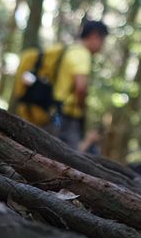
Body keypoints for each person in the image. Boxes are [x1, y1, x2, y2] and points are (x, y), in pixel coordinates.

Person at [11, 20, 109, 149]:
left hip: (55, 112)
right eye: (102, 41)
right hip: (66, 115)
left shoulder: (70, 50)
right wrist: (82, 108)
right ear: (94, 36)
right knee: (71, 157)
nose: (102, 46)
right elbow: (81, 87)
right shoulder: (82, 54)